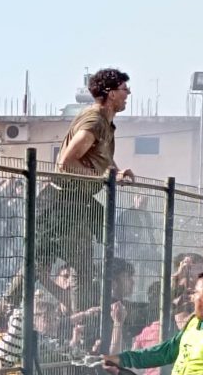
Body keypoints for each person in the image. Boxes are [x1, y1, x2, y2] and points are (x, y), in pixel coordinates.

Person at [38, 68, 133, 311]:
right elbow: (66, 162)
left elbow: (100, 157)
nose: (128, 93)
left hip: (76, 200)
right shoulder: (93, 121)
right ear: (111, 93)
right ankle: (79, 321)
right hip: (62, 200)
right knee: (75, 264)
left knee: (50, 262)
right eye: (124, 89)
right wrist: (102, 176)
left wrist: (116, 172)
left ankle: (75, 315)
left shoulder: (105, 122)